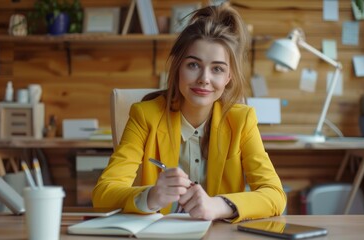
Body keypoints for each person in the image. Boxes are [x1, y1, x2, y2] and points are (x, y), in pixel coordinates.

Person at [92, 3, 286, 223]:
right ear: (177, 68)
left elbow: (275, 195)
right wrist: (151, 197)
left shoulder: (242, 120)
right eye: (194, 65)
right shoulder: (145, 116)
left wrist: (218, 205)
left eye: (217, 69)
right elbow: (103, 194)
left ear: (228, 77)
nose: (204, 78)